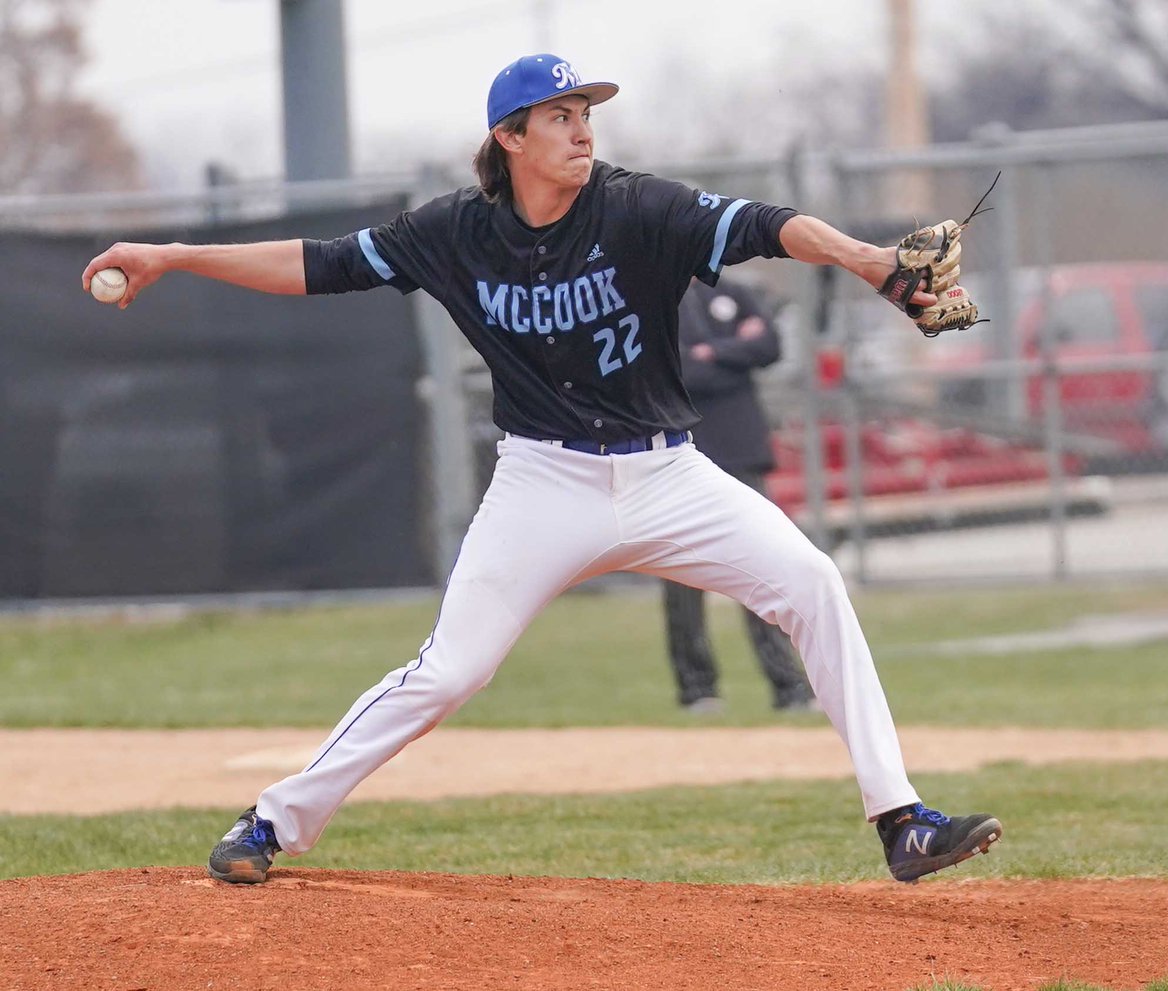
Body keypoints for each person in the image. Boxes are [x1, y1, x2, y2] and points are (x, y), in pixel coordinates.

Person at [83, 53, 1002, 886]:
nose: (582, 130)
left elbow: (764, 224)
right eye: (560, 116)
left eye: (586, 113)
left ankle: (901, 821)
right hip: (543, 483)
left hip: (668, 475)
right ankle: (271, 820)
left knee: (813, 583)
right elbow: (318, 264)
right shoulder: (454, 232)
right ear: (510, 138)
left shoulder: (636, 206)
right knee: (450, 672)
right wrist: (174, 254)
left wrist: (870, 261)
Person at [666, 277, 816, 713]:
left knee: (762, 570)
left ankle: (789, 688)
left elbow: (769, 347)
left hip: (742, 450)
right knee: (682, 575)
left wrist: (711, 351)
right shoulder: (658, 293)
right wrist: (734, 350)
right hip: (683, 455)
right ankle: (698, 690)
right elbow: (679, 370)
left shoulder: (734, 292)